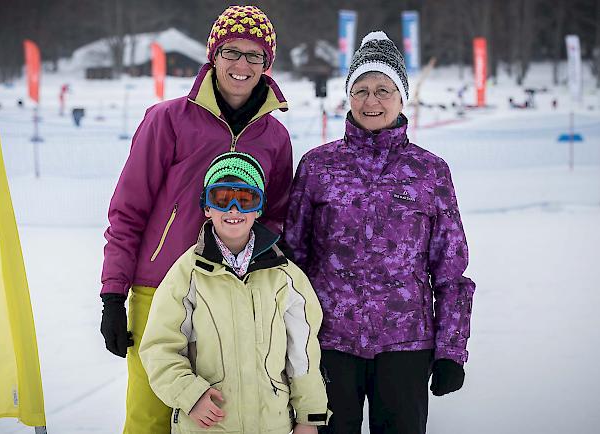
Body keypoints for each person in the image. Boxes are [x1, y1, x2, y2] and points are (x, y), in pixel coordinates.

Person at [99, 6, 293, 433]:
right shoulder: (166, 120)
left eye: (254, 55)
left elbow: (276, 217)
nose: (241, 65)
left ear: (267, 64)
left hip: (229, 294)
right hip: (156, 287)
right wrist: (114, 297)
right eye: (231, 51)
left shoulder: (275, 138)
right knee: (148, 416)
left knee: (215, 416)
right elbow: (128, 212)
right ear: (213, 55)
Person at [284, 31, 476, 434]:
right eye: (362, 90)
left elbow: (451, 270)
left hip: (406, 342)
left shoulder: (430, 171)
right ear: (348, 96)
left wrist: (451, 351)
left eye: (384, 90)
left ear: (402, 97)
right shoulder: (317, 166)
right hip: (330, 342)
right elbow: (291, 263)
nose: (372, 101)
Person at [139, 152, 330, 433]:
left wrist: (308, 416)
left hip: (270, 422)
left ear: (259, 208)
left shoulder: (284, 275)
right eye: (221, 198)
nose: (233, 209)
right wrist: (190, 395)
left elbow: (303, 351)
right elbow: (160, 346)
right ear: (206, 206)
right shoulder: (188, 274)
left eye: (245, 200)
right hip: (209, 423)